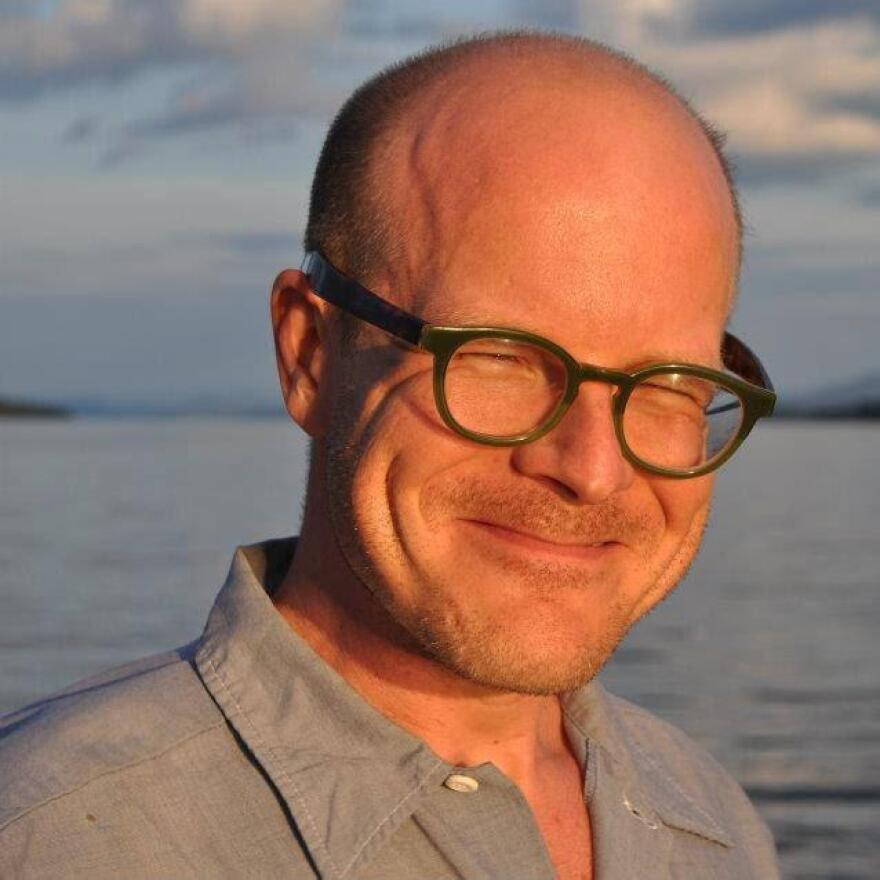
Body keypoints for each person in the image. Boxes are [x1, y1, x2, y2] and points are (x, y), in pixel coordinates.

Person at [0, 31, 780, 880]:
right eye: (499, 356)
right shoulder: (52, 839)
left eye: (669, 384)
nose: (591, 470)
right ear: (310, 355)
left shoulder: (713, 824)